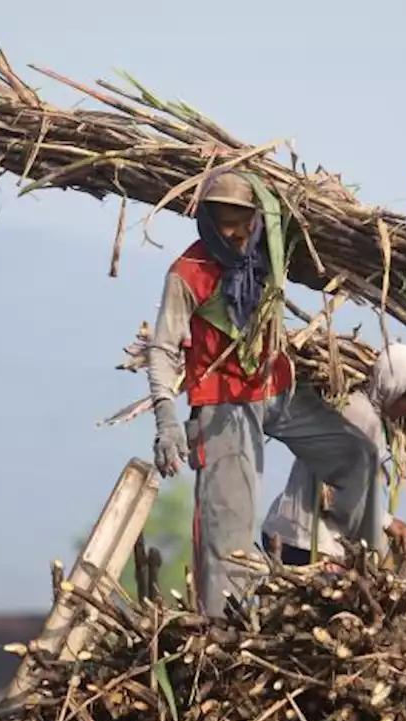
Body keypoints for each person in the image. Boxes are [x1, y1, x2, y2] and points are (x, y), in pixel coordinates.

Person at [145, 169, 382, 615]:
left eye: (241, 220)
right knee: (228, 535)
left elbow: (303, 221)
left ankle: (357, 574)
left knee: (357, 456)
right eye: (223, 222)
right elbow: (162, 347)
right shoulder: (188, 272)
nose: (233, 233)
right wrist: (166, 419)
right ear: (207, 221)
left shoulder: (268, 251)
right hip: (223, 404)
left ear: (257, 217)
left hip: (276, 389)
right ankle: (222, 634)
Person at [261, 342, 406, 567]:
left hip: (294, 533)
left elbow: (354, 492)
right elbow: (333, 494)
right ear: (392, 386)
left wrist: (387, 521)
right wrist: (385, 524)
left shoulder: (367, 414)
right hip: (306, 540)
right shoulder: (361, 417)